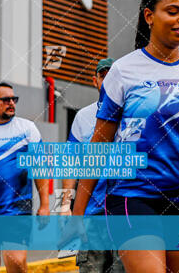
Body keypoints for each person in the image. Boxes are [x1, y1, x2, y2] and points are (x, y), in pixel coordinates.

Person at [72, 0, 179, 273]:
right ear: (149, 16)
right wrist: (78, 213)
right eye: (173, 11)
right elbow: (100, 143)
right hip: (133, 195)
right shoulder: (123, 70)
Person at [60, 58, 124, 273]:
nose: (106, 80)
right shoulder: (83, 117)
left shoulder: (133, 113)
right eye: (102, 75)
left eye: (111, 75)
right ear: (95, 81)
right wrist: (64, 206)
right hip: (90, 214)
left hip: (125, 213)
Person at [0, 82, 49, 273]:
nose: (11, 103)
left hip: (16, 206)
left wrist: (45, 205)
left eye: (14, 99)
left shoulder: (27, 129)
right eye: (5, 100)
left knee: (15, 259)